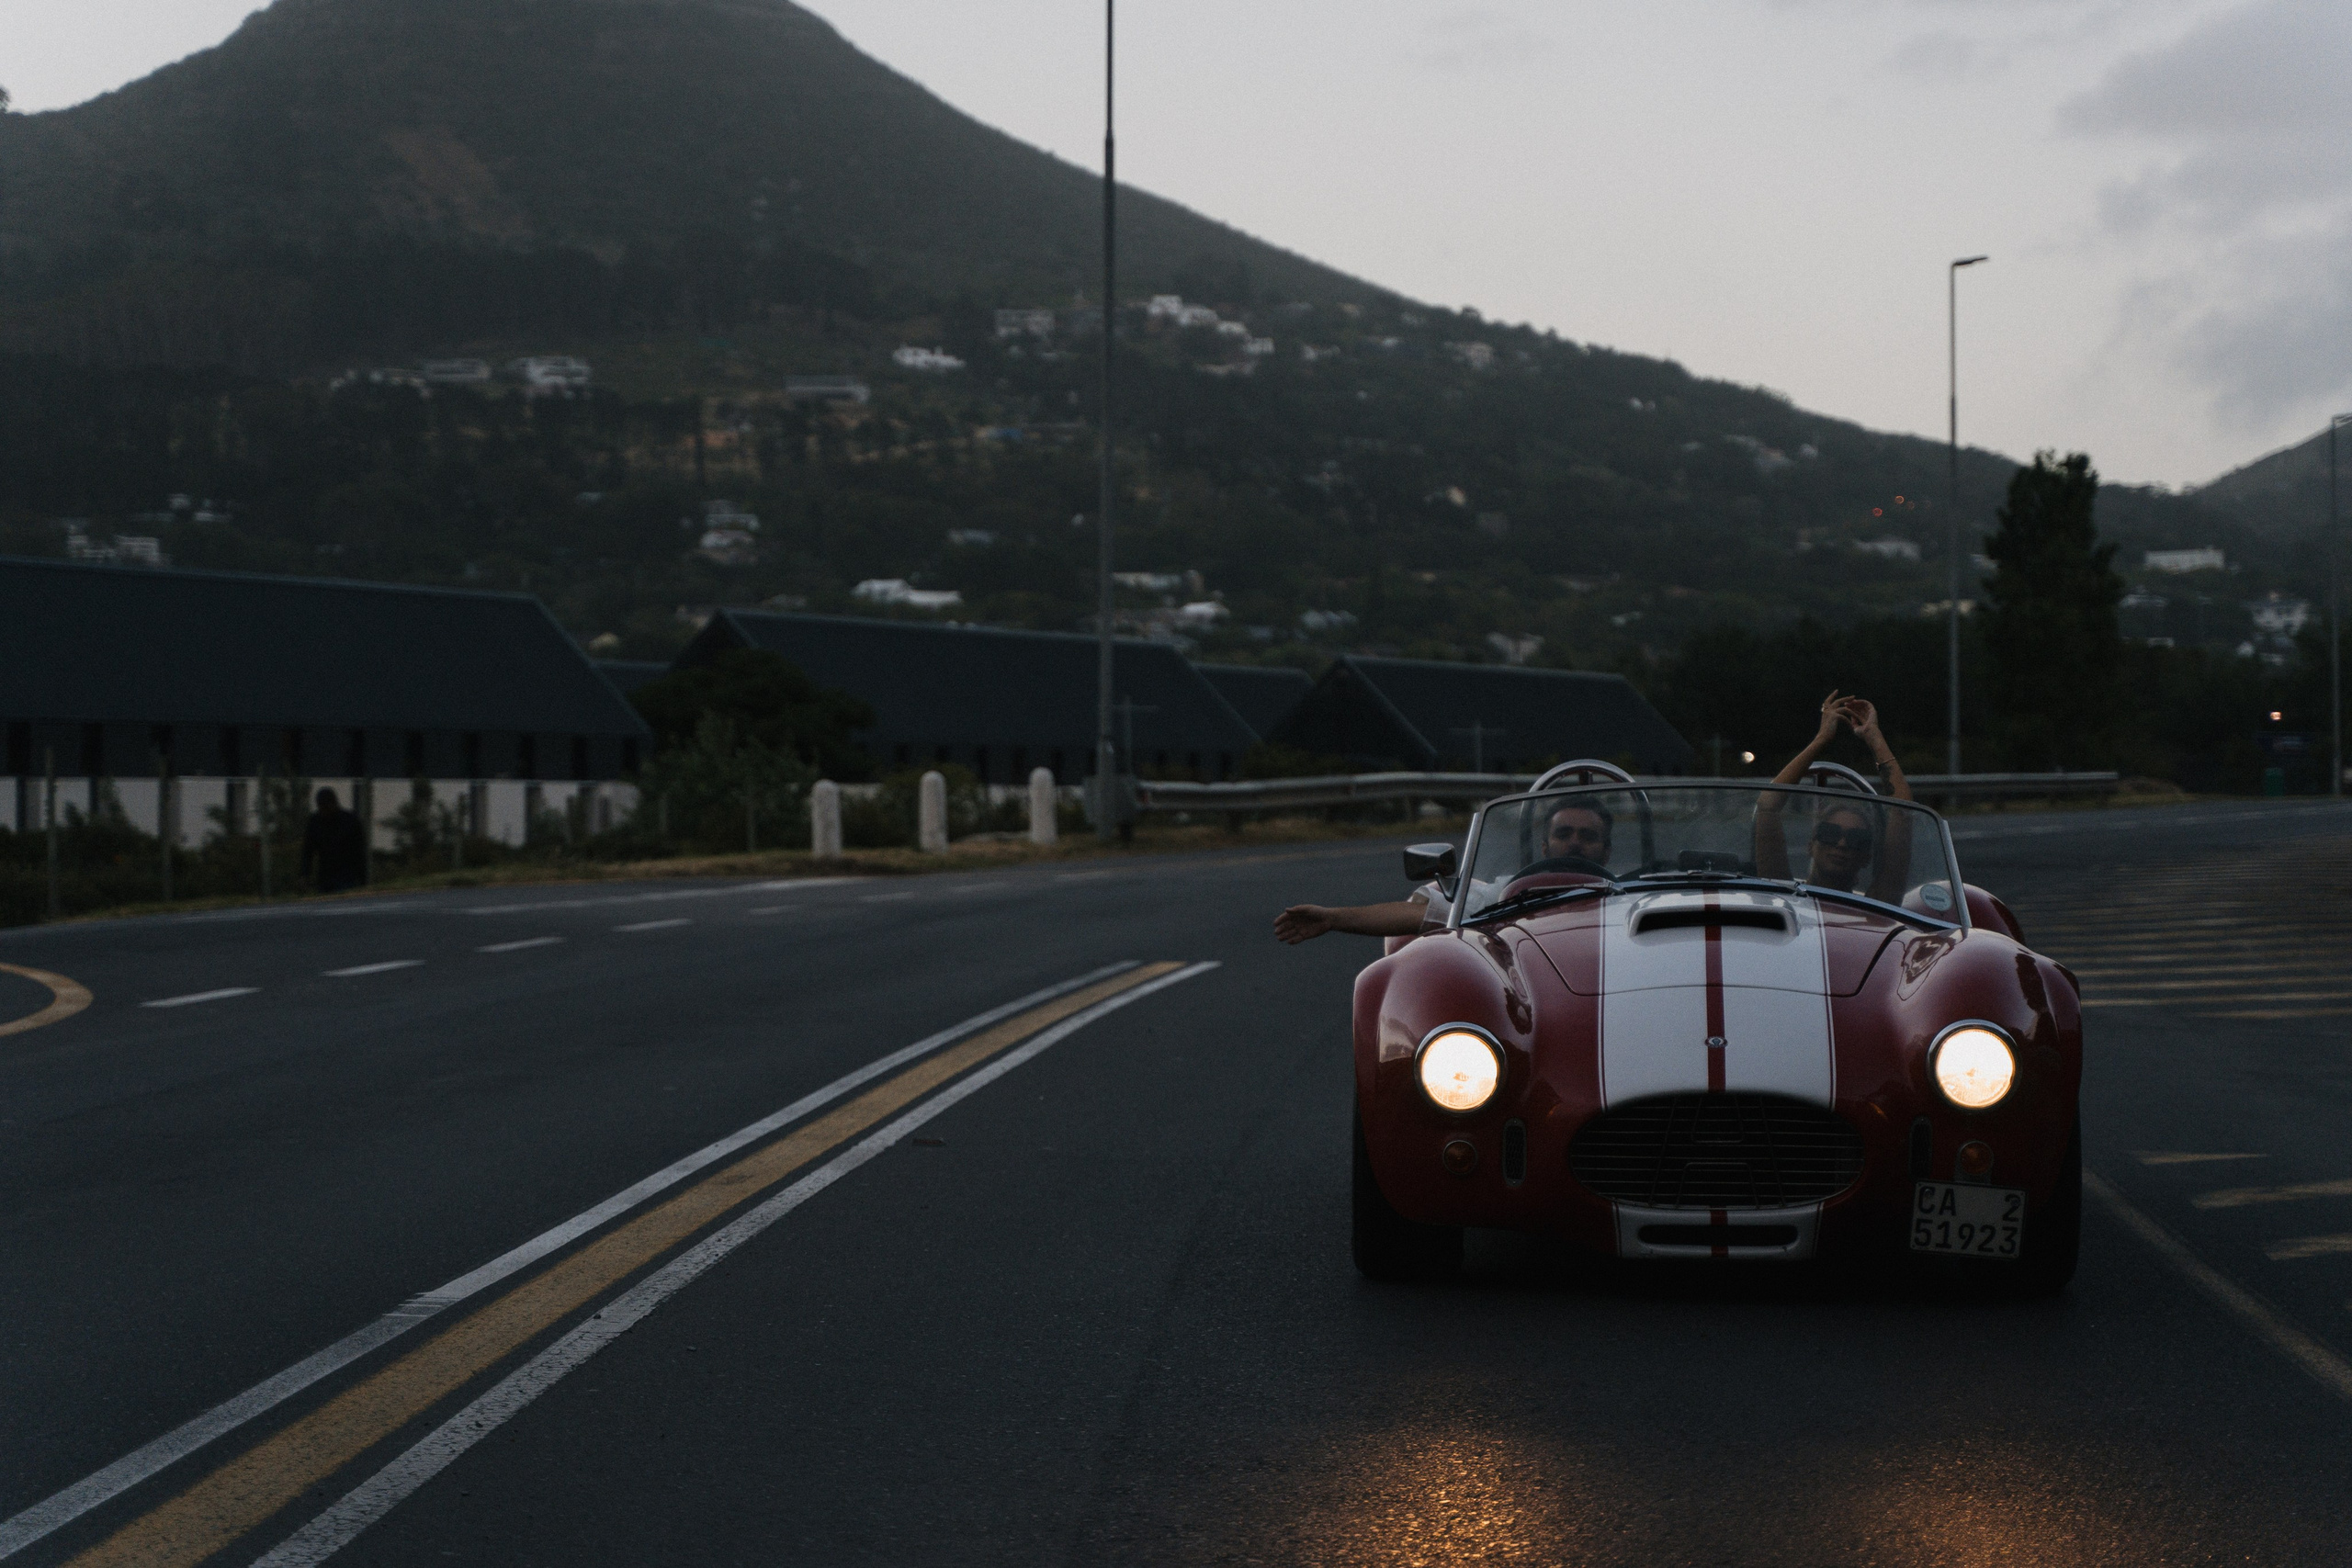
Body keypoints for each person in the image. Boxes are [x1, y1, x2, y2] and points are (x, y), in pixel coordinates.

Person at [1274, 800, 1614, 945]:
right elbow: (1417, 915)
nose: (1575, 843)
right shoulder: (1505, 895)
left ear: (1606, 850)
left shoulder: (1633, 898)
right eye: (1564, 834)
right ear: (1544, 847)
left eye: (1588, 837)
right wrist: (1332, 918)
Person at [1755, 693, 1913, 898]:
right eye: (1830, 833)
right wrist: (1821, 739)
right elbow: (1767, 805)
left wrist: (1873, 736)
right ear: (1811, 845)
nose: (1842, 844)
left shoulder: (1876, 905)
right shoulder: (1782, 893)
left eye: (1856, 839)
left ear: (1866, 857)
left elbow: (1902, 812)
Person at [300, 787, 369, 894]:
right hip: (326, 878)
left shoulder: (349, 822)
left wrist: (362, 879)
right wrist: (305, 875)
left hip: (347, 877)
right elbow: (308, 852)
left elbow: (359, 852)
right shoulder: (316, 823)